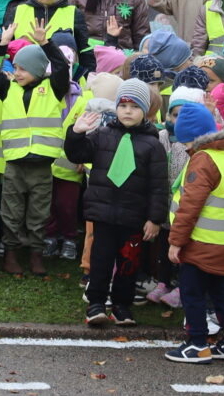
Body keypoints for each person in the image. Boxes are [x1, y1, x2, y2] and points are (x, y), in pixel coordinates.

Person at [65, 78, 169, 327]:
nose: (127, 111)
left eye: (134, 107)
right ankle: (96, 304)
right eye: (123, 106)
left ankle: (122, 305)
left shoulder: (153, 145)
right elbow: (77, 154)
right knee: (100, 260)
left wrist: (155, 219)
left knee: (128, 263)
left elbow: (158, 186)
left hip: (133, 216)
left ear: (145, 110)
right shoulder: (102, 135)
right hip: (104, 213)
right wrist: (76, 133)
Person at [164, 102, 224, 365]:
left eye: (186, 143)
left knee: (191, 293)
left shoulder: (204, 159)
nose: (186, 149)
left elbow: (190, 206)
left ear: (194, 137)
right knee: (221, 293)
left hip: (199, 241)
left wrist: (176, 242)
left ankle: (197, 344)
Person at [0, 38, 73, 276]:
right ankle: (11, 256)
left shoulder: (53, 89)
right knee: (11, 211)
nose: (16, 72)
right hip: (14, 163)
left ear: (36, 70)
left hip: (41, 165)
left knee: (39, 213)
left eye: (22, 68)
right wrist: (1, 45)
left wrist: (46, 43)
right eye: (15, 68)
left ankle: (36, 255)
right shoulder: (7, 89)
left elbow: (61, 66)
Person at [9, 0, 92, 78]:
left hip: (60, 80)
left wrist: (86, 79)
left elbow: (85, 52)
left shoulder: (73, 13)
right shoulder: (18, 11)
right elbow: (6, 48)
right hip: (22, 79)